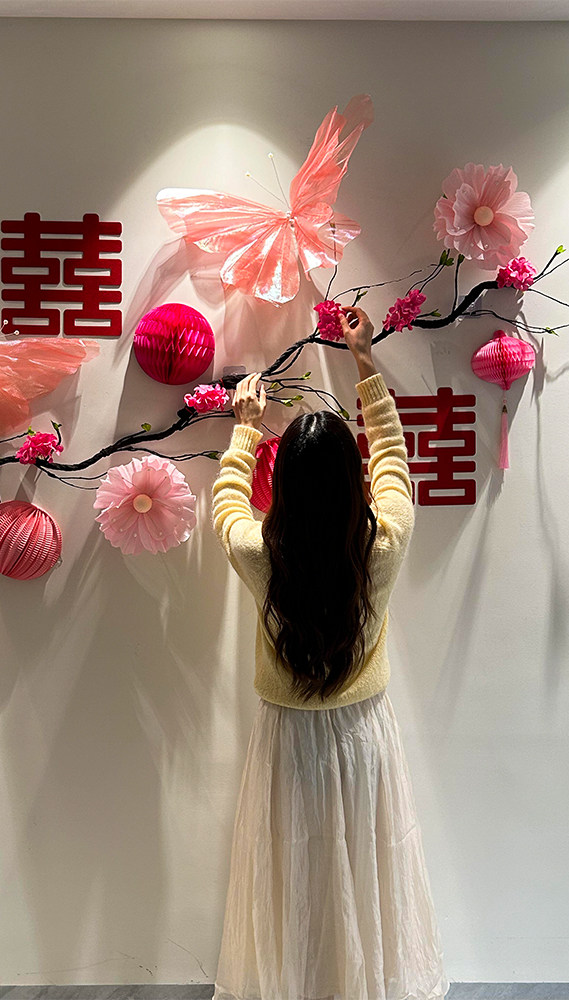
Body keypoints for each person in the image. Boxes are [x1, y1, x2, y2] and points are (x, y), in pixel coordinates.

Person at [210, 306, 450, 1000]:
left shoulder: (261, 554)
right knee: (365, 872)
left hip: (287, 738)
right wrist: (364, 360)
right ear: (353, 481)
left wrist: (245, 428)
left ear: (283, 487)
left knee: (292, 878)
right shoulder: (384, 545)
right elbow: (394, 463)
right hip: (362, 734)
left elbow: (227, 506)